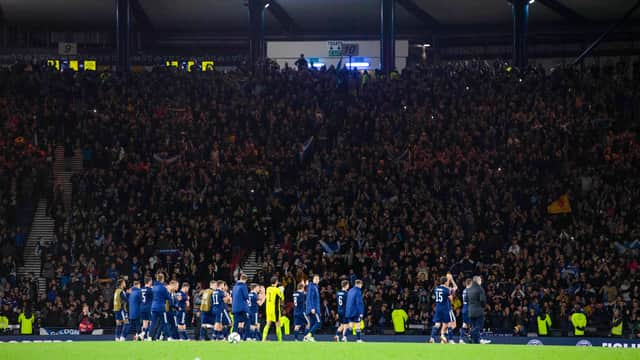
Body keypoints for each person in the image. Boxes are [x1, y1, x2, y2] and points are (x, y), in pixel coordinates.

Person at [429, 273, 457, 343]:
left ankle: (432, 338)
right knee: (450, 324)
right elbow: (451, 298)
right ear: (445, 282)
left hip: (438, 308)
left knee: (437, 324)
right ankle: (450, 340)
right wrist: (452, 281)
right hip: (445, 308)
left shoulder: (436, 289)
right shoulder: (446, 289)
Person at [149, 273, 172, 340]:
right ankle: (169, 337)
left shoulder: (153, 287)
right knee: (164, 322)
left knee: (153, 323)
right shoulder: (163, 288)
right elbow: (167, 297)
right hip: (161, 308)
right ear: (162, 279)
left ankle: (149, 337)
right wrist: (169, 292)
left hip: (153, 307)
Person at [262, 276, 285, 341]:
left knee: (268, 324)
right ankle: (280, 340)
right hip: (275, 310)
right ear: (276, 282)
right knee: (278, 324)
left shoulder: (268, 289)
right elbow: (282, 299)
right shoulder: (277, 290)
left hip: (268, 309)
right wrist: (282, 291)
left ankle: (263, 339)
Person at [467, 275, 487, 344]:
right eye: (480, 280)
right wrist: (483, 306)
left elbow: (465, 299)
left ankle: (476, 342)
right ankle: (470, 334)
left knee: (473, 326)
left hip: (470, 311)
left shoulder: (468, 289)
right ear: (478, 281)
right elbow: (482, 300)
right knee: (479, 326)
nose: (481, 281)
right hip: (478, 311)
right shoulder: (480, 289)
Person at [231, 274, 249, 340]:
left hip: (235, 307)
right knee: (247, 321)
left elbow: (232, 295)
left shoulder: (234, 286)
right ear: (245, 280)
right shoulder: (243, 286)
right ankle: (246, 337)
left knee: (236, 323)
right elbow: (246, 296)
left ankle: (233, 337)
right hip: (242, 308)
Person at [304, 275, 321, 342]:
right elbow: (309, 298)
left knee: (312, 323)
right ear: (313, 279)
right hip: (314, 308)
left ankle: (310, 337)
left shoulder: (315, 287)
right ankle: (308, 335)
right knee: (318, 322)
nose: (317, 280)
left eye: (318, 279)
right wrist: (312, 308)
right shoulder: (311, 286)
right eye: (316, 279)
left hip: (315, 308)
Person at [459, 278, 472, 343]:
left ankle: (463, 339)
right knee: (473, 324)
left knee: (466, 325)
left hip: (464, 308)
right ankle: (477, 339)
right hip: (468, 309)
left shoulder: (464, 290)